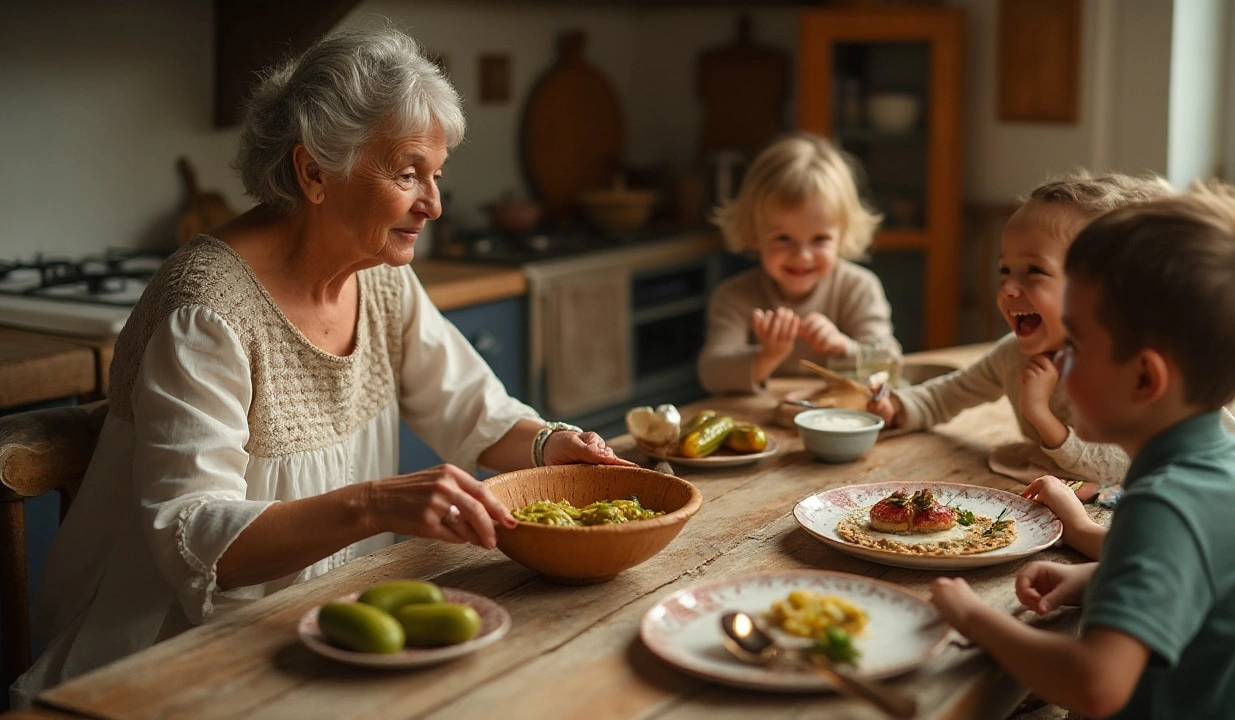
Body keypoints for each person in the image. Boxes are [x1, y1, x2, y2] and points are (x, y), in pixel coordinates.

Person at [10, 27, 629, 707]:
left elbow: (473, 411)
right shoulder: (207, 311)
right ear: (313, 173)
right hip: (175, 660)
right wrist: (374, 503)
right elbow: (195, 540)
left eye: (436, 175)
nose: (434, 204)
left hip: (337, 631)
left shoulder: (381, 276)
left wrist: (551, 443)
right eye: (407, 173)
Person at [929, 182, 1235, 719]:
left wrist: (975, 619)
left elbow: (1096, 684)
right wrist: (1098, 577)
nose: (1060, 365)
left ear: (1144, 377)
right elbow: (1197, 576)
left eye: (1076, 345)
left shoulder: (1162, 503)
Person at [867, 172, 1235, 555]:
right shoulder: (1013, 355)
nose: (1008, 288)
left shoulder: (1126, 367)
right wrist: (898, 407)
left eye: (1034, 271)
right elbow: (947, 394)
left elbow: (1132, 465)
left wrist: (1043, 418)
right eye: (1005, 270)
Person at [697, 132, 901, 394]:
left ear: (843, 237)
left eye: (819, 239)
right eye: (783, 238)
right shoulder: (734, 297)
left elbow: (891, 363)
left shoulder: (859, 288)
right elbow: (712, 373)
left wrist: (843, 347)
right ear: (753, 234)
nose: (802, 255)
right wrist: (768, 356)